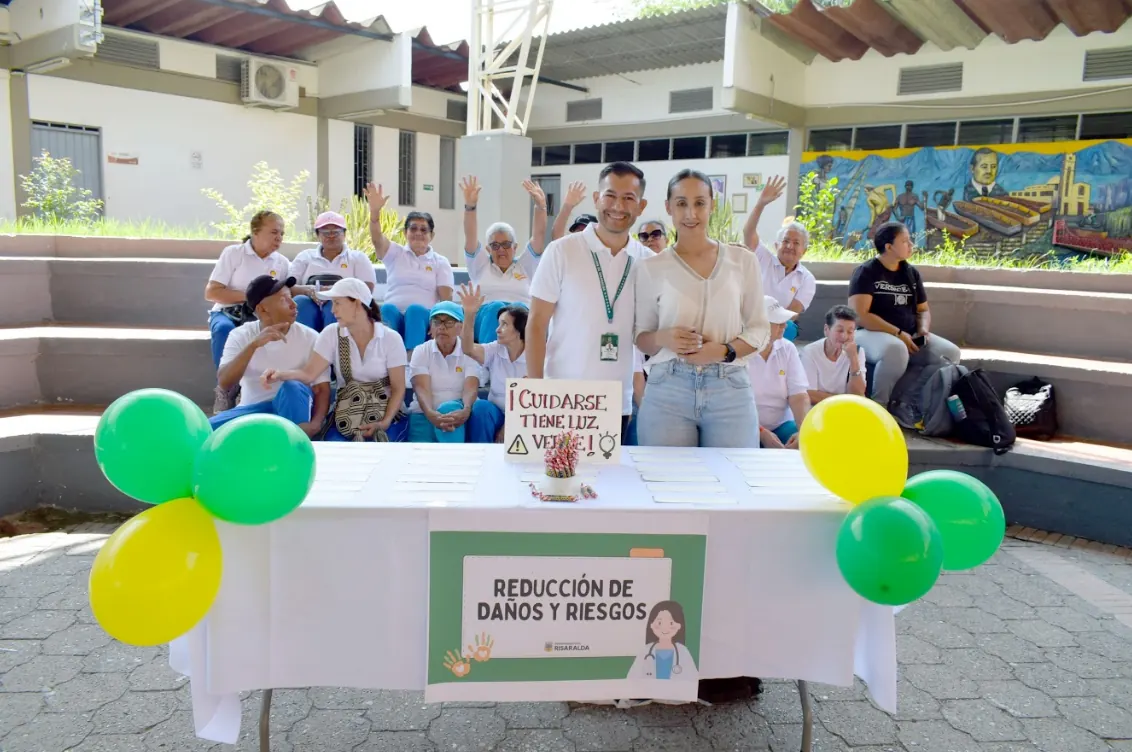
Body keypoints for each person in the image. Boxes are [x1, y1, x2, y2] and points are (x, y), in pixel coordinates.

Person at [634, 169, 769, 448]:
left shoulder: (742, 261)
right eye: (681, 203)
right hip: (668, 388)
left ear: (712, 206)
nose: (691, 213)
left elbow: (759, 329)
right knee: (664, 475)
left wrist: (724, 351)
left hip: (729, 388)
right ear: (669, 207)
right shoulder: (650, 268)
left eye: (699, 203)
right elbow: (641, 338)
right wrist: (663, 338)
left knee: (732, 474)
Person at [527, 162, 653, 438]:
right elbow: (536, 323)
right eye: (610, 195)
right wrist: (536, 391)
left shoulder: (649, 261)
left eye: (628, 198)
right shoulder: (561, 251)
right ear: (596, 198)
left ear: (641, 206)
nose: (618, 206)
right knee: (558, 468)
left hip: (614, 402)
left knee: (607, 468)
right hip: (560, 396)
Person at [262, 278, 407, 442]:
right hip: (347, 414)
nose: (332, 310)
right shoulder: (331, 334)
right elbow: (309, 374)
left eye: (337, 303)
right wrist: (279, 374)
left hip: (386, 414)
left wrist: (384, 423)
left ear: (357, 303)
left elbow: (398, 388)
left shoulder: (390, 338)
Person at [848, 221, 961, 423]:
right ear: (889, 247)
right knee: (896, 349)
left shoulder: (911, 273)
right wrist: (898, 333)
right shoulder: (866, 272)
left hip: (907, 334)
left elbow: (923, 310)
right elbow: (860, 315)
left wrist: (923, 330)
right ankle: (878, 409)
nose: (911, 245)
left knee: (949, 354)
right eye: (905, 241)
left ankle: (905, 402)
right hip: (869, 334)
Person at [211, 275, 330, 434]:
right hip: (253, 411)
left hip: (292, 410)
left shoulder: (311, 337)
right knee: (207, 430)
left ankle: (295, 440)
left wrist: (316, 423)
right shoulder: (240, 335)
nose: (293, 304)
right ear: (262, 309)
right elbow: (225, 382)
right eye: (283, 299)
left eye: (291, 297)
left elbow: (321, 388)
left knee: (292, 386)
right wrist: (253, 345)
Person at [204, 210, 291, 412]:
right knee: (223, 330)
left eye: (282, 234)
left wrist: (310, 290)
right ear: (255, 232)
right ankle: (225, 389)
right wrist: (251, 295)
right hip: (226, 311)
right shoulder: (234, 253)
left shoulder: (282, 263)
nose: (279, 238)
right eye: (274, 232)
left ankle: (253, 389)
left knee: (267, 334)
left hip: (260, 315)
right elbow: (212, 292)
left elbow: (287, 292)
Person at [363, 182, 455, 350]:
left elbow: (446, 300)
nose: (418, 233)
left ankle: (412, 359)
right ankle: (386, 357)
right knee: (387, 309)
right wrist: (375, 213)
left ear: (432, 235)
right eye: (413, 228)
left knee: (415, 311)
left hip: (423, 319)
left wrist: (439, 323)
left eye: (423, 230)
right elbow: (377, 239)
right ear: (405, 233)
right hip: (394, 314)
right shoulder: (395, 253)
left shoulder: (440, 262)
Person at [460, 176, 548, 343]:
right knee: (496, 307)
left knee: (519, 310)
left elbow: (539, 235)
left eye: (506, 244)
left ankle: (518, 356)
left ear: (515, 247)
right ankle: (488, 355)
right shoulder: (480, 265)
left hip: (519, 320)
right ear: (488, 249)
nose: (501, 250)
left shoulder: (525, 266)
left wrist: (540, 206)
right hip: (486, 318)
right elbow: (470, 235)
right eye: (495, 245)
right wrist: (470, 207)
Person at [407, 301, 496, 443]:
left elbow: (470, 387)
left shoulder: (469, 351)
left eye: (448, 322)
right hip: (424, 414)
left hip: (459, 414)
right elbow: (421, 389)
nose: (441, 327)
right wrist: (431, 414)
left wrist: (466, 410)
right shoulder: (421, 351)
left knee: (449, 409)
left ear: (460, 327)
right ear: (430, 328)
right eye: (437, 322)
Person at [743, 176, 815, 341]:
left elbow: (793, 312)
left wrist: (770, 325)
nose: (789, 246)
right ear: (776, 245)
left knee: (789, 329)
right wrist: (761, 203)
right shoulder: (763, 257)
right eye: (785, 241)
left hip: (782, 324)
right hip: (751, 319)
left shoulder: (807, 278)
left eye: (796, 243)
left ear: (804, 251)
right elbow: (748, 232)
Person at [457, 283, 527, 442]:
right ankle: (482, 453)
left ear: (520, 329)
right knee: (481, 407)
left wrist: (507, 427)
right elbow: (468, 348)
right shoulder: (496, 348)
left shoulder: (536, 356)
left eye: (504, 325)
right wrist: (470, 314)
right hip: (495, 413)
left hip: (525, 415)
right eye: (498, 324)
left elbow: (532, 403)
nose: (497, 329)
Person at [288, 211, 377, 332]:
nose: (331, 236)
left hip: (343, 304)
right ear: (318, 235)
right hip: (310, 303)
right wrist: (310, 291)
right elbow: (289, 287)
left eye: (336, 232)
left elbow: (367, 288)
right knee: (300, 302)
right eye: (325, 233)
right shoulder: (305, 257)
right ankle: (304, 342)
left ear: (344, 234)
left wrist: (336, 293)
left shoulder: (358, 258)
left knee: (337, 304)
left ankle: (338, 343)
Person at [749, 296, 811, 449]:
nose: (785, 325)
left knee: (811, 440)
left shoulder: (788, 348)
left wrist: (803, 430)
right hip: (745, 425)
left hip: (782, 424)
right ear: (760, 324)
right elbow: (734, 404)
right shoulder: (740, 352)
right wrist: (761, 432)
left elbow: (799, 394)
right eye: (778, 322)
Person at [799, 305, 867, 405]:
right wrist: (845, 401)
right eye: (840, 330)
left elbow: (858, 394)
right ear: (826, 330)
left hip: (846, 409)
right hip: (818, 408)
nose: (844, 336)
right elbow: (809, 394)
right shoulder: (810, 352)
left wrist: (853, 359)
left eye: (850, 332)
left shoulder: (857, 351)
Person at [626, 601, 698, 682]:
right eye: (659, 623)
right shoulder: (645, 651)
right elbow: (632, 679)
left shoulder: (683, 652)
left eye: (671, 623)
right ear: (651, 625)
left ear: (679, 626)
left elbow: (693, 680)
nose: (665, 628)